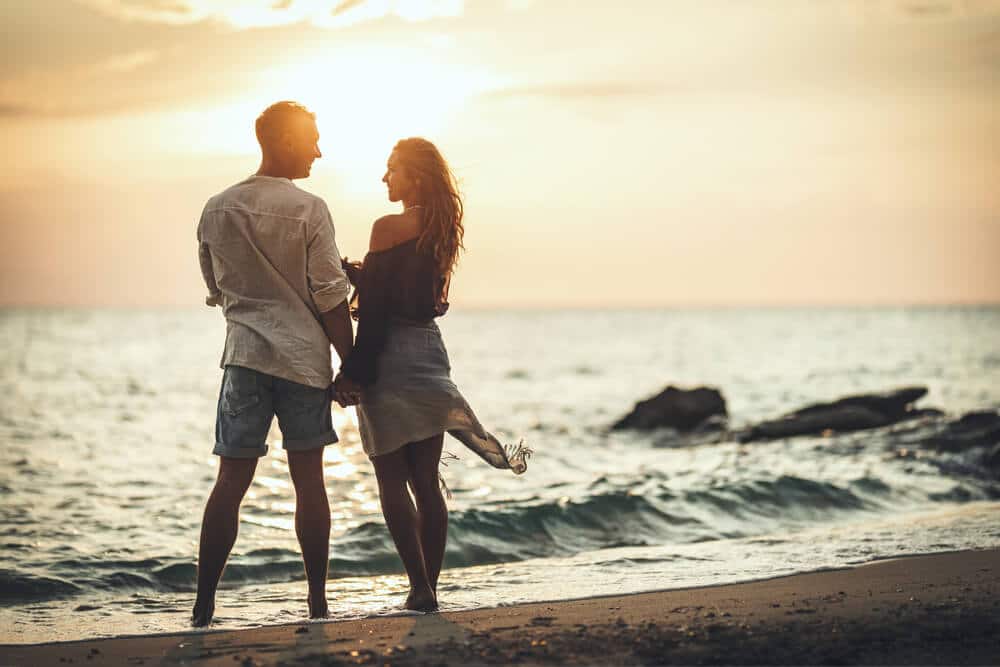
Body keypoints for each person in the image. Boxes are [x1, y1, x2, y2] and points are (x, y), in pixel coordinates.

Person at [333, 137, 530, 612]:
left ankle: (418, 586)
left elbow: (377, 315)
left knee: (389, 477)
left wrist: (351, 373)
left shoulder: (387, 227)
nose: (385, 178)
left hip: (391, 359)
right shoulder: (441, 232)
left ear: (415, 177)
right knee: (425, 480)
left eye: (392, 170)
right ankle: (429, 591)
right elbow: (411, 297)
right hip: (428, 354)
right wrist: (364, 276)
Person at [192, 101, 354, 627]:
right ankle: (317, 602)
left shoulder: (217, 208)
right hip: (304, 364)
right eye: (311, 139)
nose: (318, 150)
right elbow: (331, 294)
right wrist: (350, 363)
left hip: (244, 359)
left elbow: (215, 288)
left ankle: (203, 605)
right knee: (309, 482)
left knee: (229, 483)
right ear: (284, 141)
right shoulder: (310, 209)